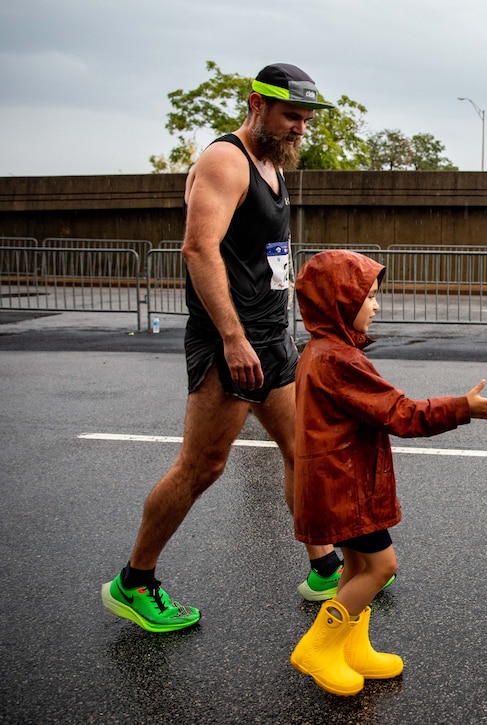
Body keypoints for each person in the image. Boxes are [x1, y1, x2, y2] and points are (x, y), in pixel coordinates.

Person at [101, 63, 342, 633]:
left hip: (270, 335)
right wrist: (233, 338)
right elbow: (198, 250)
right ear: (257, 103)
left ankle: (325, 564)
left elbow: (257, 254)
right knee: (202, 465)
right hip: (229, 340)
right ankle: (134, 582)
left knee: (299, 447)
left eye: (306, 120)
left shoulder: (271, 164)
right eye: (291, 117)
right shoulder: (224, 160)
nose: (300, 130)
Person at [288, 250, 487, 695]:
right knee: (381, 567)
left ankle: (351, 649)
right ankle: (316, 646)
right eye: (368, 296)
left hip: (336, 485)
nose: (376, 305)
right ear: (340, 301)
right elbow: (400, 413)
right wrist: (461, 408)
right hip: (344, 486)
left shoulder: (322, 350)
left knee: (355, 567)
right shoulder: (339, 360)